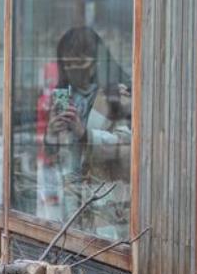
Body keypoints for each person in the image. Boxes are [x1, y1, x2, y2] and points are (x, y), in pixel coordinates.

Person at [42, 26, 132, 239]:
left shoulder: (117, 96)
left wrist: (85, 134)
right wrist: (51, 134)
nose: (73, 71)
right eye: (67, 64)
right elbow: (55, 157)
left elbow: (129, 147)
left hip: (107, 202)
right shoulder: (65, 97)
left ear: (95, 63)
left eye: (79, 63)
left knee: (105, 260)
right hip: (71, 204)